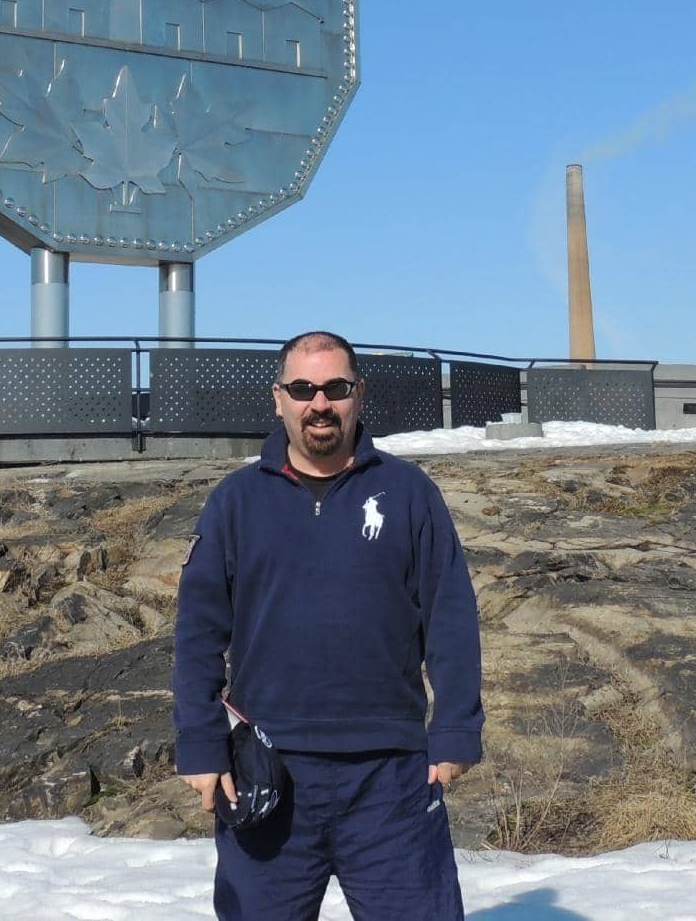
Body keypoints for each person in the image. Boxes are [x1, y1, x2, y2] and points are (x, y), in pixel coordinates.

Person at [172, 330, 483, 920]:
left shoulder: (409, 493)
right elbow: (197, 638)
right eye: (303, 389)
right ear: (279, 398)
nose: (320, 403)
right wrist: (199, 743)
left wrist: (456, 729)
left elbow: (451, 619)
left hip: (391, 778)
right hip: (267, 772)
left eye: (335, 388)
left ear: (358, 394)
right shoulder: (234, 502)